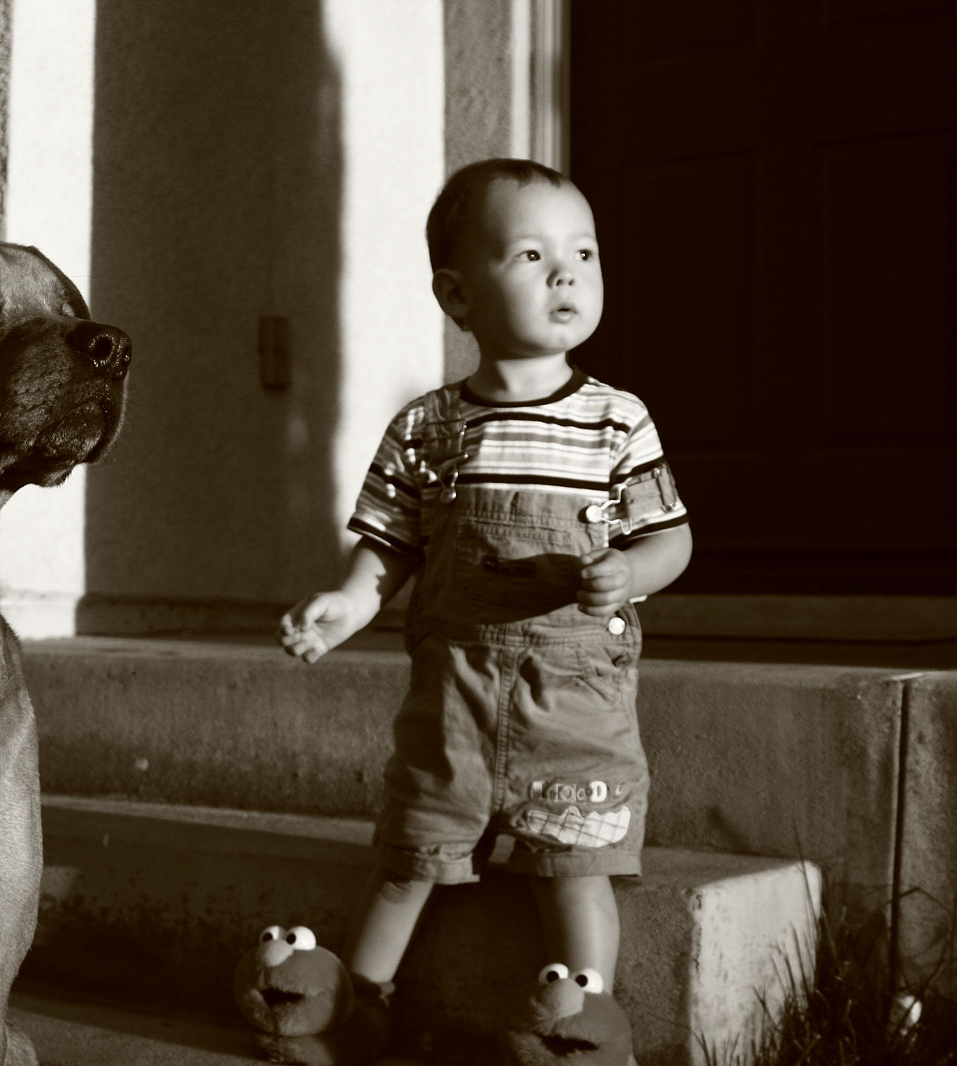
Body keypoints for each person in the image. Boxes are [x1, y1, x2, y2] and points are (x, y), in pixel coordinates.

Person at [274, 158, 693, 1065]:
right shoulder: (426, 429)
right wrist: (347, 603)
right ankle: (361, 1007)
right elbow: (388, 545)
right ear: (457, 296)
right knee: (408, 857)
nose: (567, 273)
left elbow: (674, 540)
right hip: (453, 698)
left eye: (584, 252)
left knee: (577, 874)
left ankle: (584, 1031)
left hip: (574, 703)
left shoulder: (617, 420)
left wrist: (632, 570)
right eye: (533, 254)